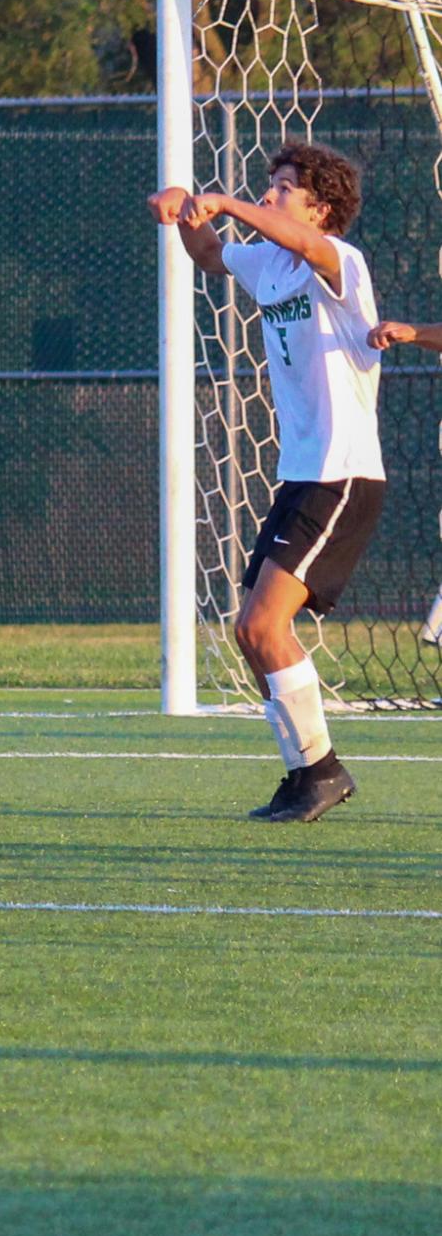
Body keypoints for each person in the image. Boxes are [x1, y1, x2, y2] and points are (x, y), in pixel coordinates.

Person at [148, 141, 384, 823]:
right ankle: (306, 770)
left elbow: (300, 243)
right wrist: (185, 211)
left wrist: (226, 200)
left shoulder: (341, 263)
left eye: (286, 188)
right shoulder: (271, 265)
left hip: (343, 473)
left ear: (322, 208)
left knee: (262, 621)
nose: (273, 195)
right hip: (302, 473)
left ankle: (322, 770)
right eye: (271, 184)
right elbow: (214, 254)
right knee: (249, 632)